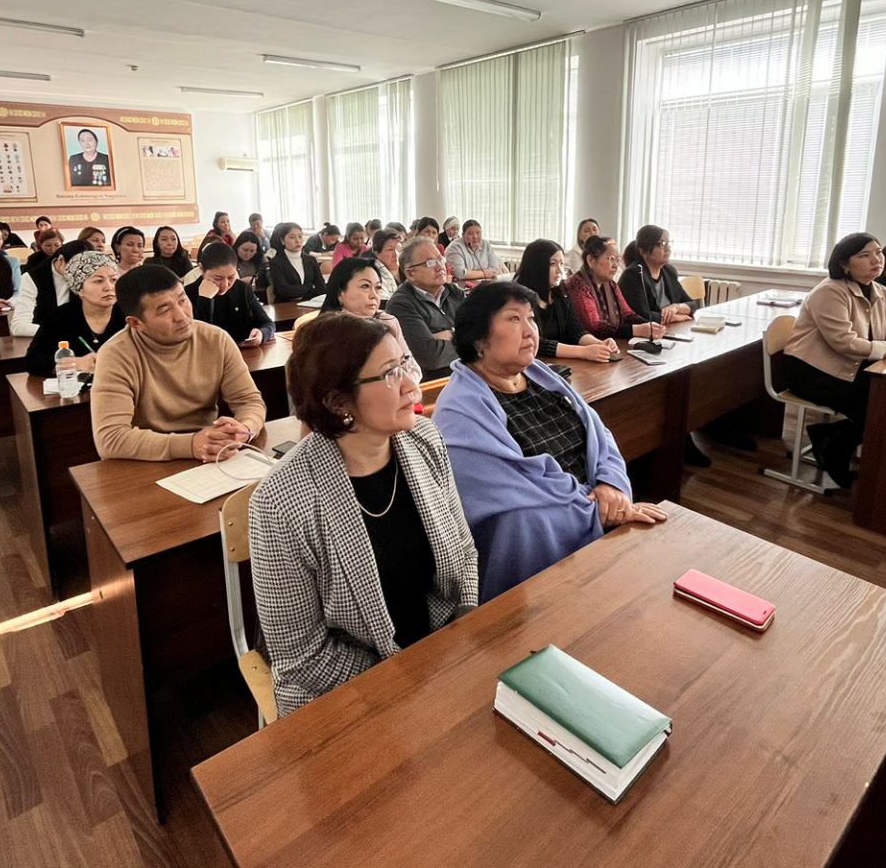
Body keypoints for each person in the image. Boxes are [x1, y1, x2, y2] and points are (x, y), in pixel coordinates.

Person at [249, 314, 478, 716]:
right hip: (345, 693)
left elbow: (464, 552)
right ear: (338, 402)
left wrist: (465, 624)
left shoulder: (424, 440)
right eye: (390, 374)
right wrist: (410, 678)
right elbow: (303, 657)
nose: (412, 385)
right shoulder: (280, 502)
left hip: (439, 653)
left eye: (404, 364)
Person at [433, 283, 667, 600]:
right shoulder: (458, 408)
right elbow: (515, 494)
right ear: (478, 338)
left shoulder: (542, 375)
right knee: (524, 522)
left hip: (594, 505)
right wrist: (598, 509)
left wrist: (610, 484)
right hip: (545, 531)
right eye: (514, 319)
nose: (530, 331)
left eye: (531, 318)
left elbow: (600, 435)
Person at [780, 233, 886, 489]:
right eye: (864, 255)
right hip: (811, 370)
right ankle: (834, 446)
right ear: (844, 264)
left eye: (878, 252)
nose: (876, 260)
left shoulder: (881, 291)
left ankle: (830, 438)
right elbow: (844, 342)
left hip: (850, 365)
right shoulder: (829, 291)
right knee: (878, 401)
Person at [89, 264, 267, 460]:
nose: (182, 316)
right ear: (136, 323)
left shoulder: (216, 339)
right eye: (164, 310)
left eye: (182, 300)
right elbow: (111, 438)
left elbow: (249, 402)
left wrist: (244, 428)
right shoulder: (115, 355)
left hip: (209, 454)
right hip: (147, 461)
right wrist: (190, 444)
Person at [321, 256, 423, 383]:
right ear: (340, 293)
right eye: (365, 286)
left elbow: (413, 369)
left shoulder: (388, 321)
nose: (374, 295)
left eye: (378, 288)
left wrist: (400, 386)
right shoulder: (328, 331)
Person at [23, 251, 126, 376]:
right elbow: (32, 361)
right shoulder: (60, 317)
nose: (109, 287)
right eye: (99, 281)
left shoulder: (130, 315)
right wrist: (75, 364)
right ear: (80, 289)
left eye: (113, 279)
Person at [514, 239, 617, 362]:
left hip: (560, 362)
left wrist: (600, 344)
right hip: (531, 364)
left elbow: (575, 330)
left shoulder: (558, 292)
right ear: (537, 266)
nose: (560, 270)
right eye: (553, 264)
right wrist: (583, 352)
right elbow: (536, 342)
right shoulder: (520, 298)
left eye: (562, 264)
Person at [386, 236, 467, 380]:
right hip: (434, 383)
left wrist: (448, 335)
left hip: (467, 374)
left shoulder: (454, 292)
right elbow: (431, 357)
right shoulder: (401, 304)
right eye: (430, 263)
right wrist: (469, 342)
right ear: (411, 273)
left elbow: (484, 334)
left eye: (440, 259)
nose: (439, 267)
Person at [565, 235, 662, 341]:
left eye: (617, 260)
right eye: (611, 259)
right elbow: (594, 327)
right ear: (591, 260)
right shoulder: (577, 284)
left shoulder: (611, 284)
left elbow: (627, 315)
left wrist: (649, 325)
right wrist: (636, 330)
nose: (615, 266)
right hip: (584, 346)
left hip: (611, 342)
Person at [192, 241, 275, 346]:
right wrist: (205, 300)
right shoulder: (188, 294)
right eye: (218, 278)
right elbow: (200, 336)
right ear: (201, 269)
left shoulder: (242, 289)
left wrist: (261, 334)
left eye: (231, 277)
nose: (225, 284)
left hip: (243, 352)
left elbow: (267, 323)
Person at [619, 225, 696, 326]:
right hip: (644, 333)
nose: (668, 249)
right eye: (661, 244)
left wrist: (676, 307)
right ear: (643, 251)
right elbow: (641, 316)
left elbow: (692, 304)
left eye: (668, 243)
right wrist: (677, 317)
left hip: (669, 329)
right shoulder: (633, 275)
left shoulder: (669, 271)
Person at [13, 237, 88, 337]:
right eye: (77, 268)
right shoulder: (31, 279)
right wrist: (64, 331)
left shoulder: (88, 277)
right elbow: (19, 327)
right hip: (43, 340)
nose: (81, 275)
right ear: (61, 261)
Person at [266, 222, 325, 301]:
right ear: (282, 241)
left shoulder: (311, 260)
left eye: (300, 236)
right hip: (285, 305)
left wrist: (302, 294)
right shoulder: (276, 262)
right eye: (292, 237)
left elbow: (321, 287)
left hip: (309, 303)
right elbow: (284, 291)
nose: (298, 241)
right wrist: (310, 287)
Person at [444, 219, 504, 285]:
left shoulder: (486, 245)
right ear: (463, 235)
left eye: (478, 233)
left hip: (486, 284)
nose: (475, 236)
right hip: (462, 286)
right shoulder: (454, 247)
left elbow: (494, 269)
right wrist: (484, 273)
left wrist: (470, 273)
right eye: (470, 234)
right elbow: (460, 274)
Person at [371, 228, 403, 301]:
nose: (395, 254)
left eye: (398, 249)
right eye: (390, 249)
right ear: (377, 253)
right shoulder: (374, 275)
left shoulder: (407, 270)